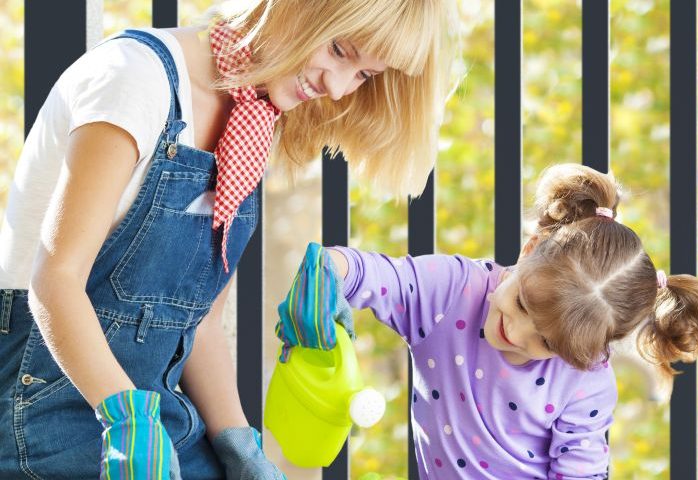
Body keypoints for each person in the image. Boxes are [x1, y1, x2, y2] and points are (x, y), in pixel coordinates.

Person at [0, 0, 459, 478]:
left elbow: (199, 326)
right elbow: (55, 280)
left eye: (364, 75)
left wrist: (240, 446)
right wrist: (129, 423)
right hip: (42, 410)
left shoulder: (251, 122)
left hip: (156, 419)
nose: (339, 88)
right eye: (340, 50)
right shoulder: (133, 79)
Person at [282, 163, 698, 479]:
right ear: (528, 252)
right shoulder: (449, 292)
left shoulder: (586, 381)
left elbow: (580, 473)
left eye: (547, 342)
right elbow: (359, 270)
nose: (516, 334)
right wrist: (327, 279)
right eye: (524, 304)